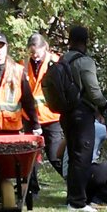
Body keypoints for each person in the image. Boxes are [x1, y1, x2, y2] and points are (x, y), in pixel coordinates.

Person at [62, 24, 107, 211]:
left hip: (65, 113)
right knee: (82, 157)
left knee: (73, 155)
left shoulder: (62, 60)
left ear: (70, 40)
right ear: (86, 42)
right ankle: (78, 202)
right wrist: (104, 105)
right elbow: (93, 90)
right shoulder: (85, 62)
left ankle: (72, 199)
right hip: (82, 114)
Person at [24, 33, 65, 178]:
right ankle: (31, 189)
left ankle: (74, 185)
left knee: (55, 156)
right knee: (30, 156)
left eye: (37, 53)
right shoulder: (23, 65)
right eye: (31, 53)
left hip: (52, 117)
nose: (34, 56)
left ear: (45, 48)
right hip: (30, 117)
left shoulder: (56, 62)